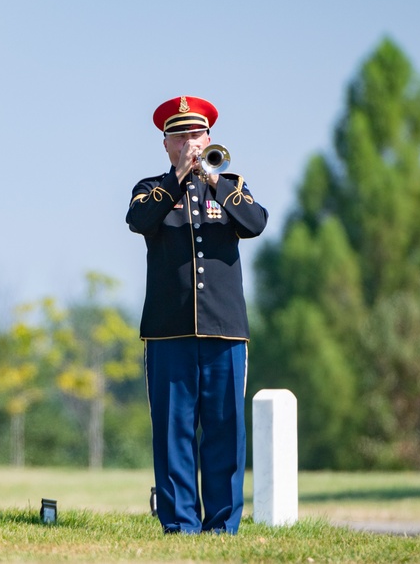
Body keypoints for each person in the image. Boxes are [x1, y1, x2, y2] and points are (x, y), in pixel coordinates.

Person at [125, 95, 268, 535]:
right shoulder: (151, 188)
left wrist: (212, 177)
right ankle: (180, 523)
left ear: (209, 138)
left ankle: (223, 524)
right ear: (165, 143)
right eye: (181, 136)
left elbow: (255, 222)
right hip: (169, 332)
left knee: (226, 430)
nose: (190, 141)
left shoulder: (231, 185)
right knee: (173, 434)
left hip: (224, 330)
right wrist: (179, 177)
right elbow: (139, 219)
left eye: (197, 134)